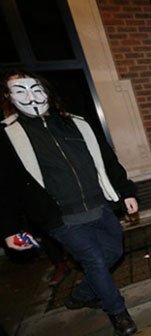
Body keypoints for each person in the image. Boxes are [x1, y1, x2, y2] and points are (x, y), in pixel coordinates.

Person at [0, 69, 138, 336]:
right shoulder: (8, 136)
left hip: (100, 206)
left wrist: (126, 191)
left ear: (47, 92)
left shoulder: (77, 123)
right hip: (62, 218)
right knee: (96, 261)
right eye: (21, 91)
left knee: (113, 253)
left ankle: (82, 293)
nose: (31, 97)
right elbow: (5, 186)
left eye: (36, 89)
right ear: (9, 97)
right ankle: (118, 313)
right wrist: (8, 229)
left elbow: (108, 161)